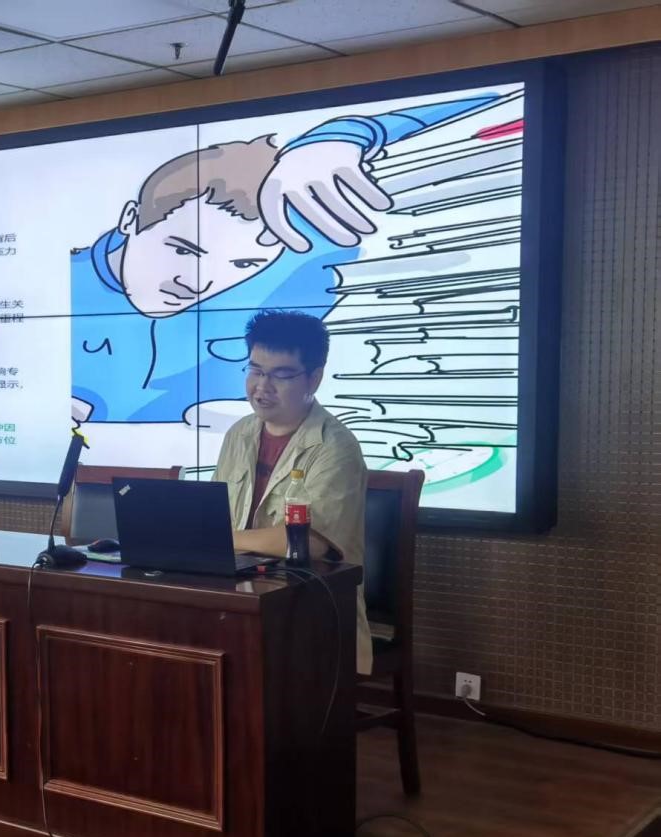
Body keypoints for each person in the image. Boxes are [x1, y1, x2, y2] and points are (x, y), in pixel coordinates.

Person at [69, 92, 503, 425]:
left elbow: (490, 105)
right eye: (184, 249)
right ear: (130, 219)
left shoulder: (298, 241)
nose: (198, 283)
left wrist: (342, 135)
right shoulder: (57, 285)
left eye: (244, 266)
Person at [212, 310, 372, 674]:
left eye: (281, 375)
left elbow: (309, 542)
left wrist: (218, 539)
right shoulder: (238, 434)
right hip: (241, 596)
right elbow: (214, 513)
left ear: (314, 378)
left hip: (311, 607)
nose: (262, 386)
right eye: (255, 370)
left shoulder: (336, 446)